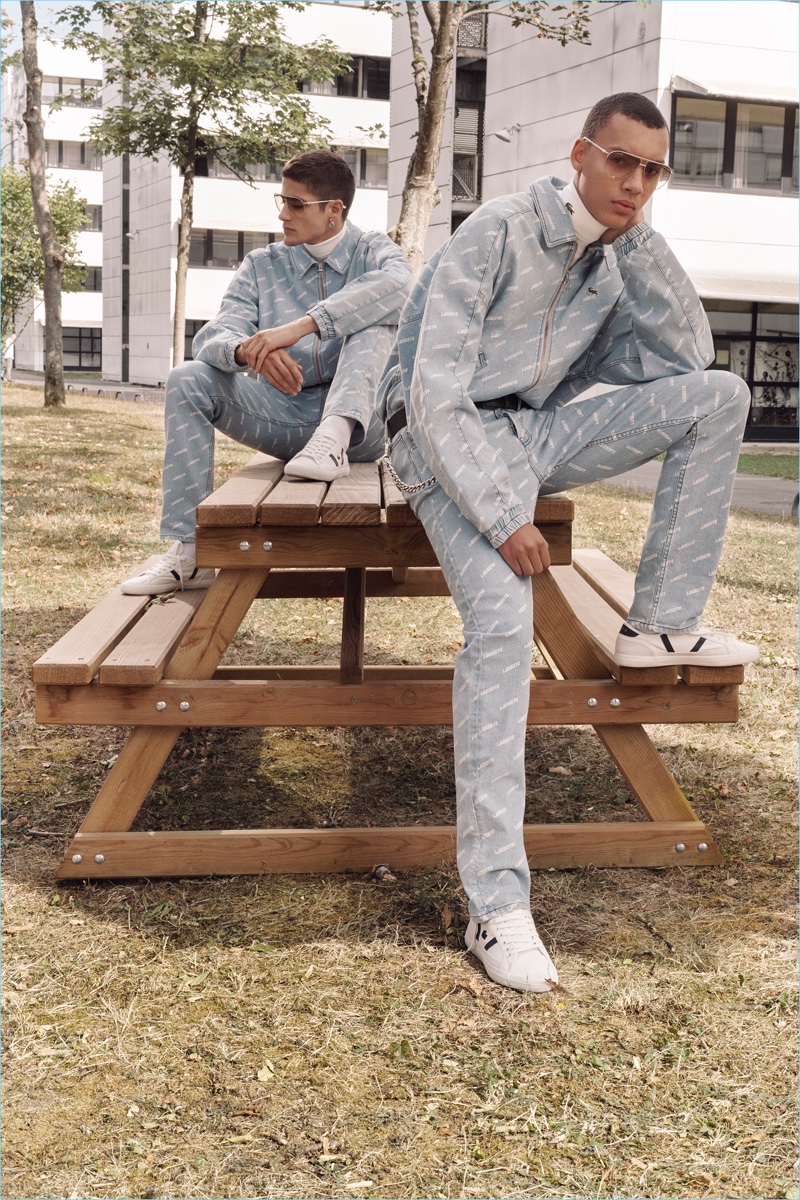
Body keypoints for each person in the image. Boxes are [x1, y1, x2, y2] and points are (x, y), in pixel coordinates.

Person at [380, 92, 759, 994]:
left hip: (540, 434)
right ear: (581, 154)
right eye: (621, 162)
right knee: (507, 629)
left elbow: (688, 353)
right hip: (446, 446)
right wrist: (504, 515)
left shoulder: (616, 258)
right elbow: (432, 396)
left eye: (653, 170)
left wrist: (636, 240)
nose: (635, 182)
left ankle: (659, 624)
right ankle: (497, 903)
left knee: (722, 395)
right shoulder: (498, 232)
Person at [123, 150, 412, 595]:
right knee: (186, 377)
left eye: (296, 204)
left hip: (359, 429)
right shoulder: (261, 265)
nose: (283, 213)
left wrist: (297, 328)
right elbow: (213, 335)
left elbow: (403, 287)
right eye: (282, 200)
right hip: (285, 420)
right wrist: (246, 351)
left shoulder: (373, 250)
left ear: (334, 210)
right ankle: (188, 554)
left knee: (374, 317)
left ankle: (332, 439)